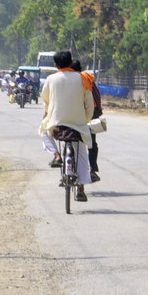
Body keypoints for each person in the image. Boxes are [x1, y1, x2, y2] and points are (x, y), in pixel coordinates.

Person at [40, 51, 93, 202]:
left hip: (57, 124)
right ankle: (81, 188)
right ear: (71, 63)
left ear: (56, 65)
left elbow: (45, 99)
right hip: (78, 125)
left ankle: (57, 156)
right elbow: (89, 105)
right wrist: (85, 120)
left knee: (43, 132)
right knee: (81, 153)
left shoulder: (50, 79)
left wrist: (48, 114)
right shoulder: (83, 78)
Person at [72, 58, 102, 182]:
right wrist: (98, 112)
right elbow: (97, 96)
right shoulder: (87, 77)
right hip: (92, 113)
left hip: (74, 114)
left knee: (70, 140)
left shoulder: (69, 79)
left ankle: (70, 168)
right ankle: (93, 170)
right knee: (91, 143)